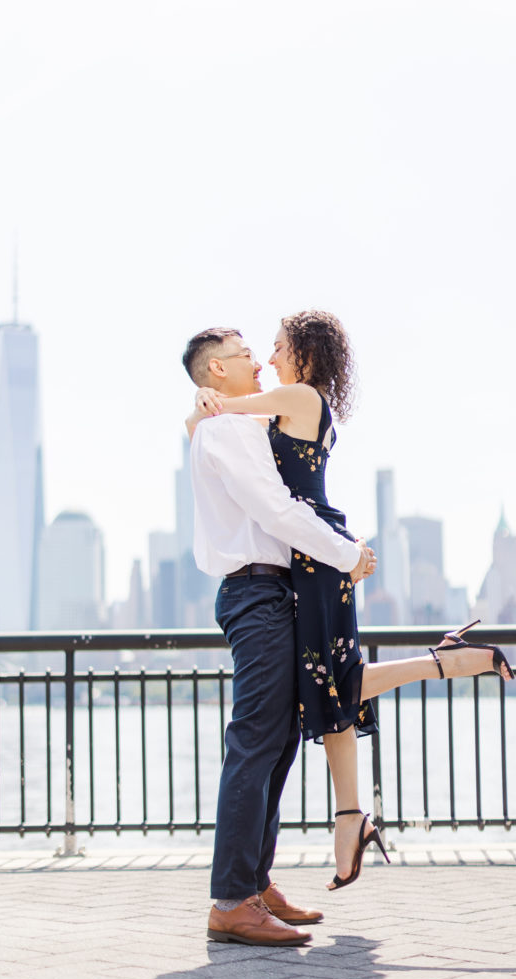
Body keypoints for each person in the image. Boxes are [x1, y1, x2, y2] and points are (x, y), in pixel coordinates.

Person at [190, 310, 514, 893]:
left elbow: (229, 423)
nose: (267, 357)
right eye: (255, 351)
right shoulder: (280, 407)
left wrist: (204, 403)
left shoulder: (299, 397)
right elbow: (228, 443)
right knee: (329, 683)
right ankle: (349, 816)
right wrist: (201, 406)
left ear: (305, 354)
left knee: (330, 682)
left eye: (279, 345)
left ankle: (446, 664)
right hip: (310, 556)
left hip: (317, 555)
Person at [182, 327, 377, 947]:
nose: (257, 361)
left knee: (280, 737)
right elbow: (276, 511)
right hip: (257, 591)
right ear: (216, 370)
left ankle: (255, 884)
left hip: (275, 592)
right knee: (257, 738)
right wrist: (347, 554)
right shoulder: (224, 430)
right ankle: (231, 900)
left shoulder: (235, 423)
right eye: (243, 354)